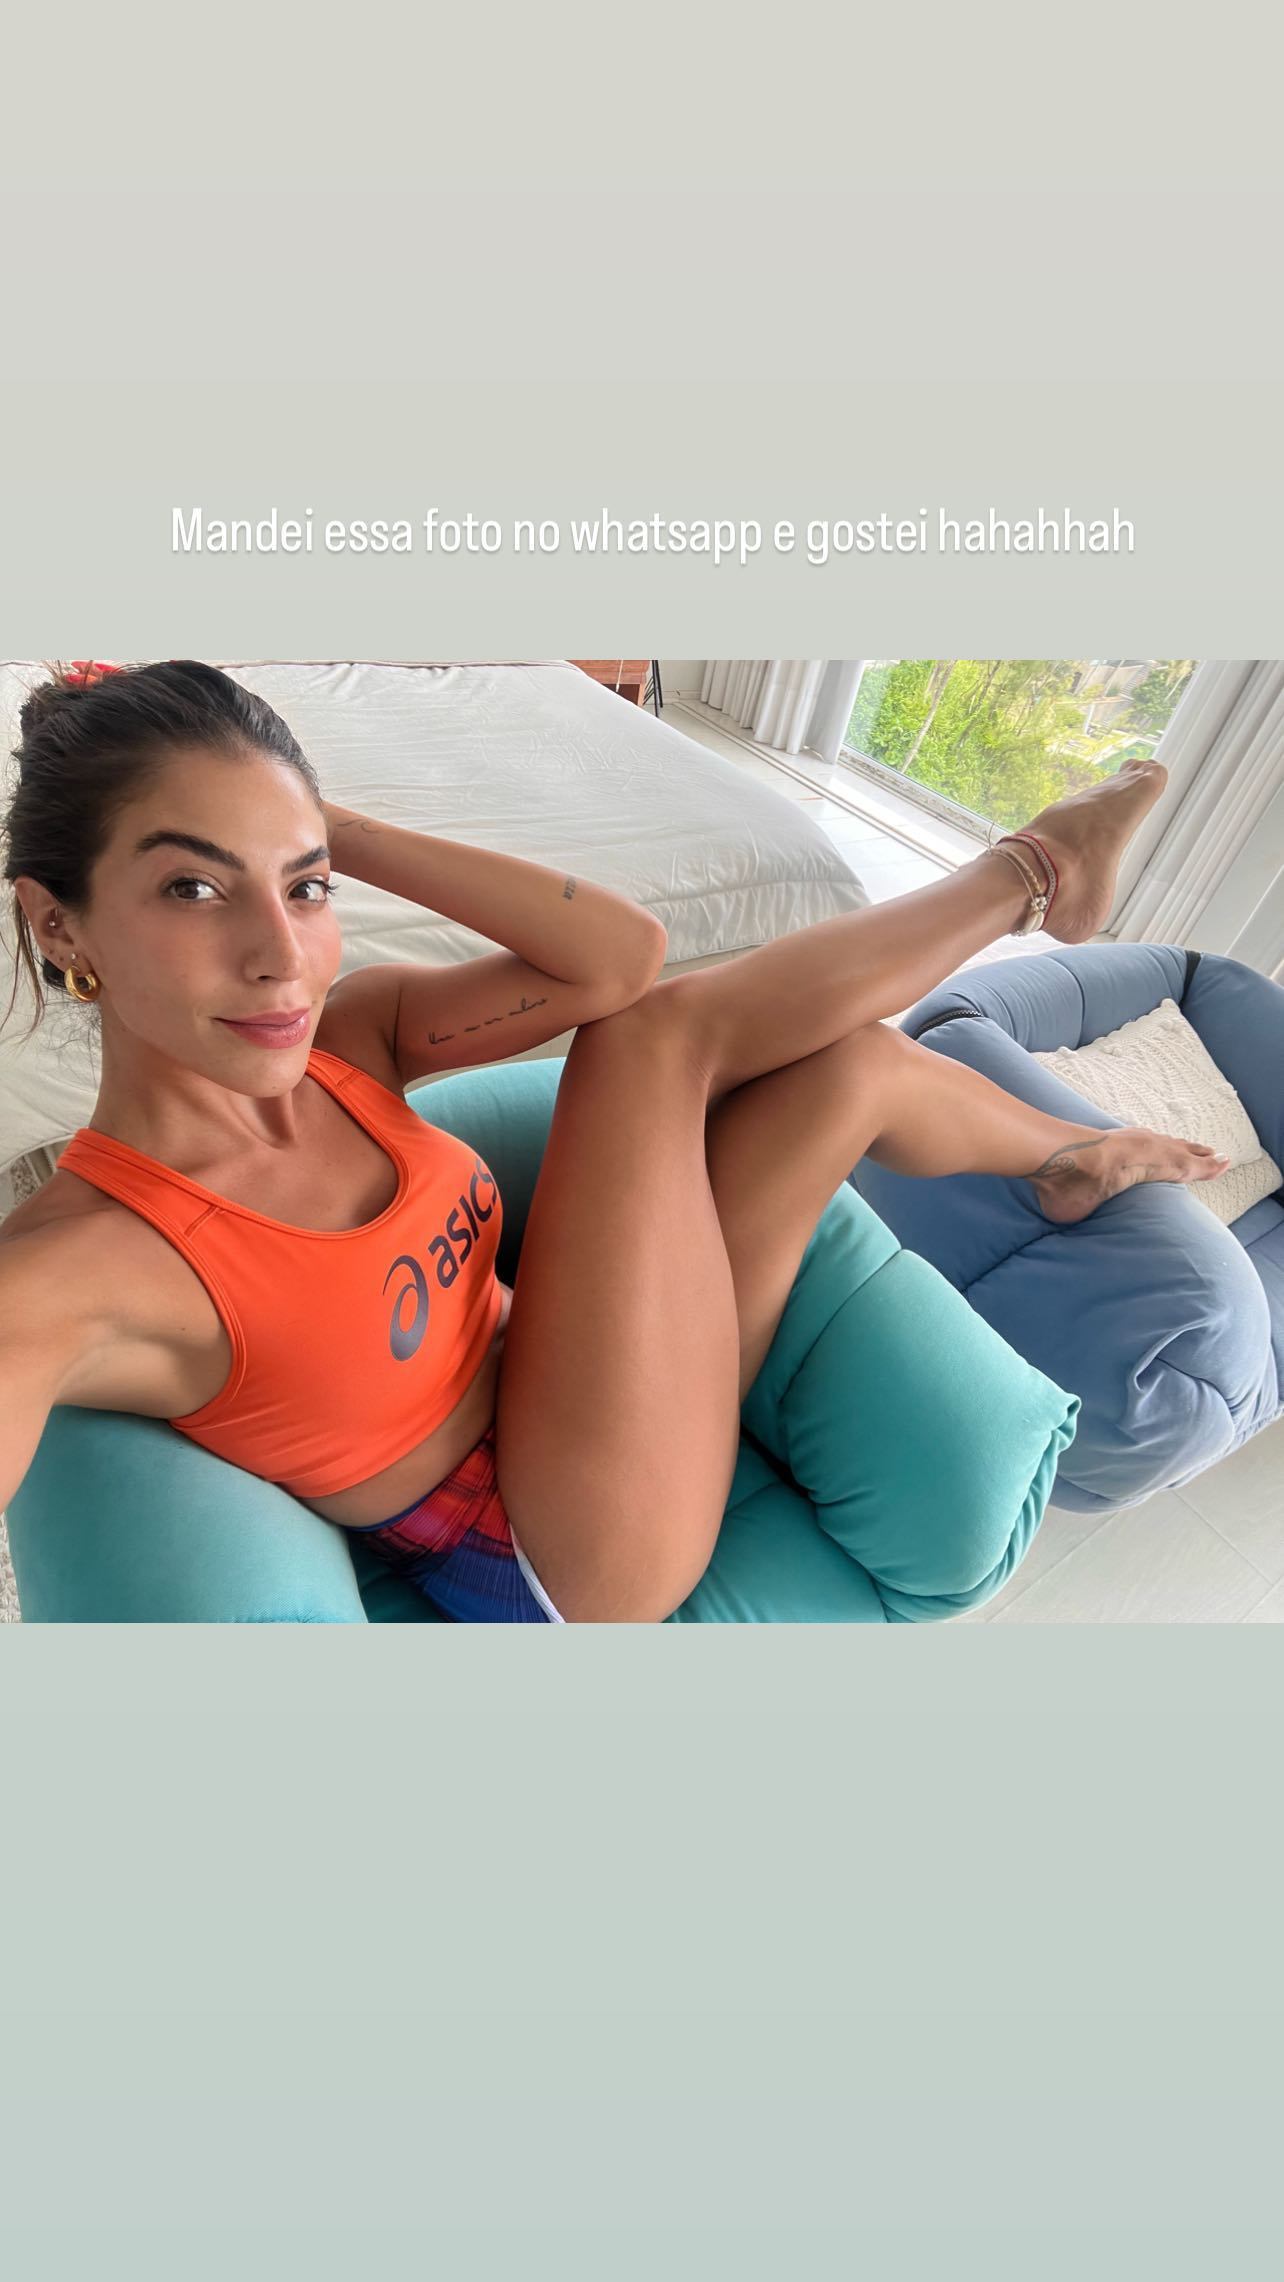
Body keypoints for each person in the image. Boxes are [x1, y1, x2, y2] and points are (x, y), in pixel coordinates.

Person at [0, 660, 1228, 1623]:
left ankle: (1071, 1157)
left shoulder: (349, 1045)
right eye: (194, 888)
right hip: (556, 1548)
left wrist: (333, 828)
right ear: (58, 924)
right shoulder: (80, 1266)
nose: (280, 956)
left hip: (592, 1376)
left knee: (845, 1068)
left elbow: (614, 955)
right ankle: (1030, 871)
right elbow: (636, 1006)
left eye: (305, 886)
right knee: (653, 1043)